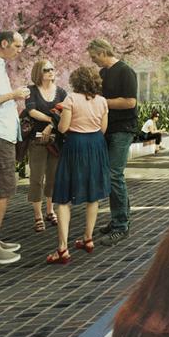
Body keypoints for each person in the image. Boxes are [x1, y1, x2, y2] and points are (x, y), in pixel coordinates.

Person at [47, 65, 109, 262]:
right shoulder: (102, 101)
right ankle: (88, 238)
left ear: (76, 82)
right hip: (96, 145)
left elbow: (63, 127)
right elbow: (103, 128)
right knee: (93, 195)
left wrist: (59, 118)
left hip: (75, 145)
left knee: (64, 197)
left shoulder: (71, 99)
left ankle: (63, 249)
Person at [0, 30, 29, 264]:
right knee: (4, 188)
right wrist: (12, 95)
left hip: (4, 135)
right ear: (5, 43)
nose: (20, 50)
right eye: (18, 46)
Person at [89, 38, 137, 243]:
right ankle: (121, 217)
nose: (93, 61)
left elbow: (130, 102)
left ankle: (121, 225)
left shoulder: (126, 71)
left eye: (94, 57)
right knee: (111, 175)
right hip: (106, 129)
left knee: (114, 174)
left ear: (102, 52)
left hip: (123, 129)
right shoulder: (103, 73)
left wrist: (101, 102)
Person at [21, 58, 65, 234]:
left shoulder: (61, 92)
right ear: (39, 72)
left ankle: (50, 210)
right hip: (37, 140)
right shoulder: (31, 90)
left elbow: (65, 111)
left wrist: (51, 125)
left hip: (56, 140)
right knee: (37, 178)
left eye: (52, 69)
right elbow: (31, 111)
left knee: (53, 178)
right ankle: (38, 215)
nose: (51, 72)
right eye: (47, 69)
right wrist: (51, 119)